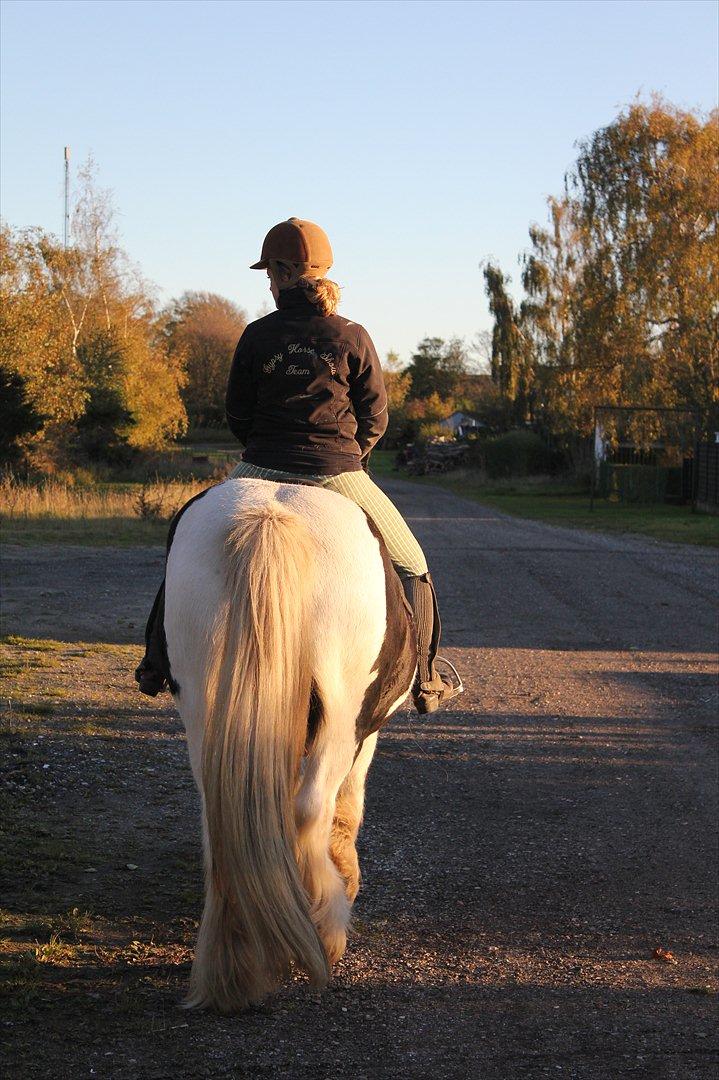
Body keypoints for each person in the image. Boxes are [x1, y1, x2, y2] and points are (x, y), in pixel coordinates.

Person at [136, 217, 462, 714]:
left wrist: (265, 449)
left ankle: (156, 661)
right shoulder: (353, 336)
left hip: (260, 468)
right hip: (337, 472)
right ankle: (427, 676)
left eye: (270, 272)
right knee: (413, 563)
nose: (267, 282)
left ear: (287, 273)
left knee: (184, 532)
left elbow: (237, 413)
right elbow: (375, 415)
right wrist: (353, 459)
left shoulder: (256, 335)